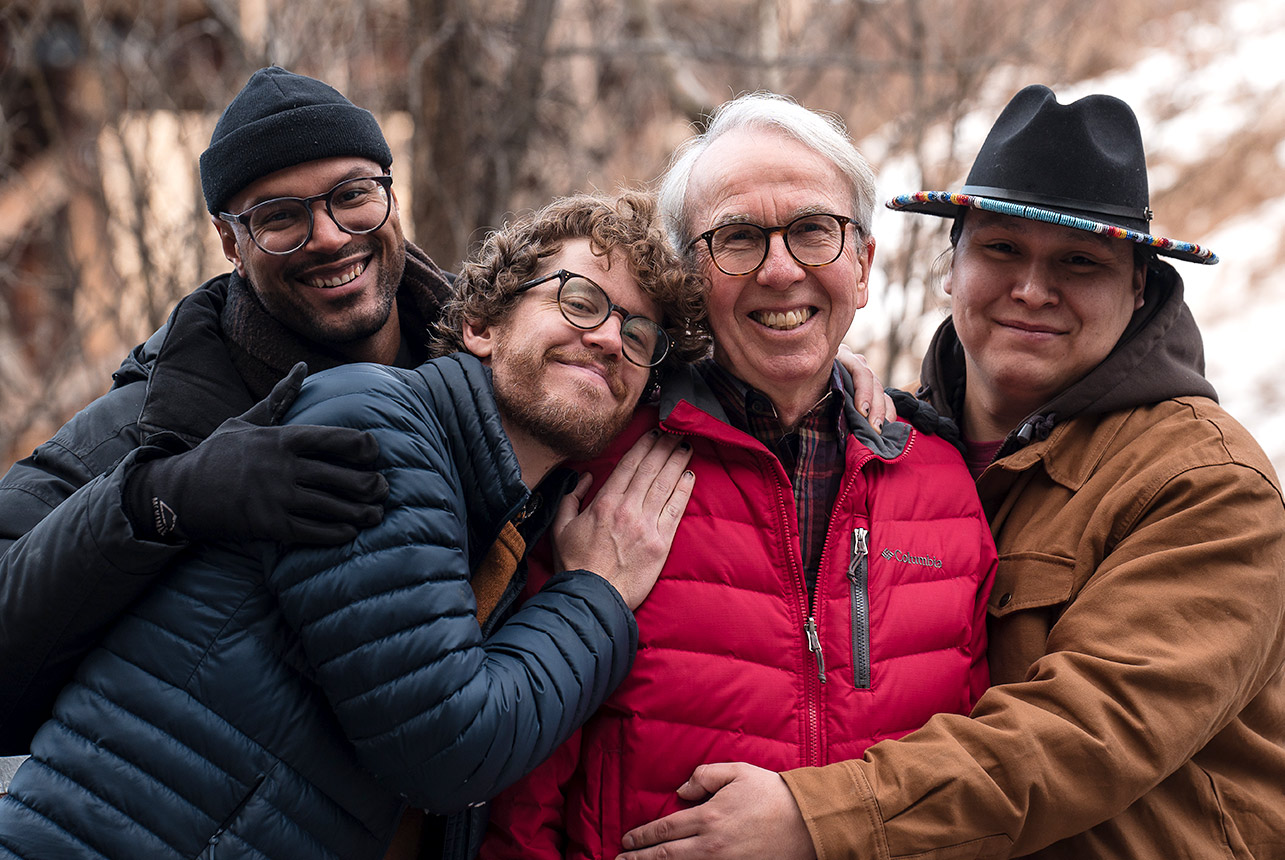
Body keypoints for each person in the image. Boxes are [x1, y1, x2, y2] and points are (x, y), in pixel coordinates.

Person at [616, 86, 1285, 860]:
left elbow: (1091, 732)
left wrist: (819, 819)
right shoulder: (897, 444)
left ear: (1139, 288)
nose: (1032, 289)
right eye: (1001, 249)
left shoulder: (1204, 481)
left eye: (1078, 262)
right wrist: (819, 375)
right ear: (950, 265)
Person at [0, 190, 709, 860]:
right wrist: (596, 595)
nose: (611, 339)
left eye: (640, 334)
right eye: (579, 301)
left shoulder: (500, 523)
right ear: (481, 326)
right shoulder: (373, 425)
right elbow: (448, 751)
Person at [481, 92, 996, 860]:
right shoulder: (599, 467)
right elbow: (518, 794)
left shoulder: (945, 483)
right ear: (688, 277)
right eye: (738, 238)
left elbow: (985, 774)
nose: (780, 270)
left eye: (813, 231)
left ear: (861, 265)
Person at [0, 66, 446, 754]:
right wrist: (158, 500)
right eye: (279, 216)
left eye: (352, 195)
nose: (326, 236)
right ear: (230, 244)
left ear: (390, 196)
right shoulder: (149, 423)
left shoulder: (495, 373)